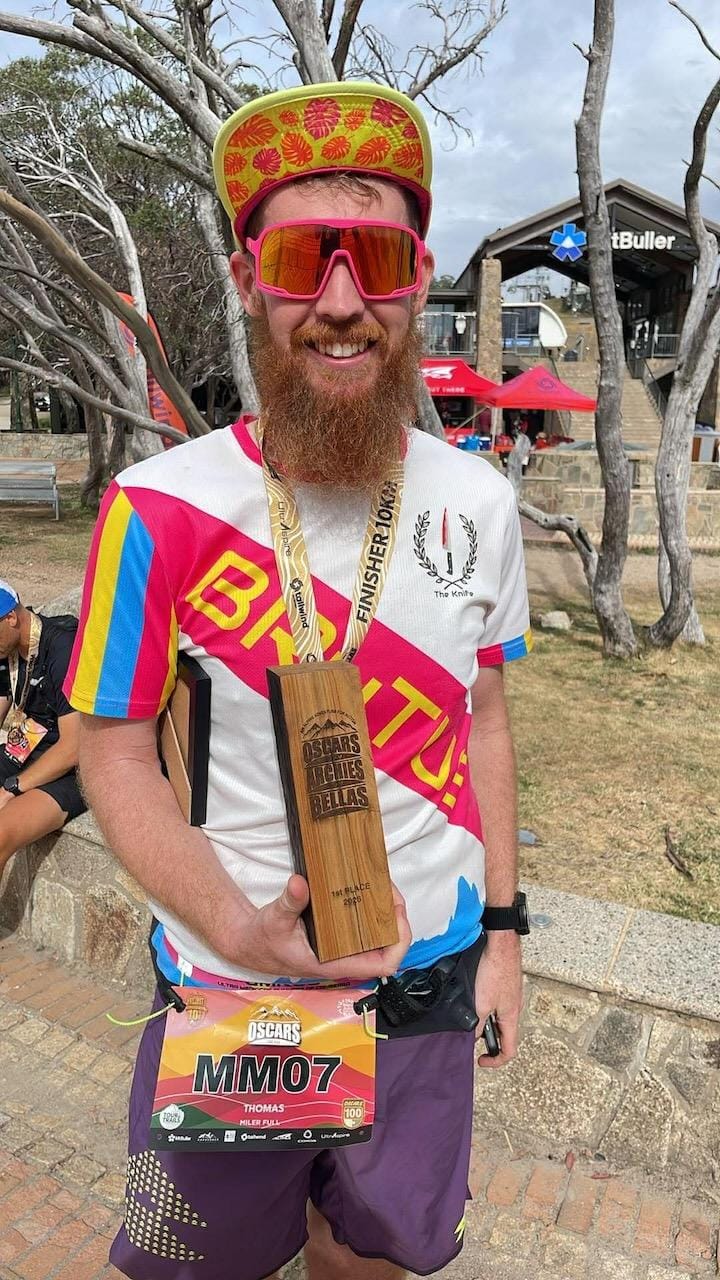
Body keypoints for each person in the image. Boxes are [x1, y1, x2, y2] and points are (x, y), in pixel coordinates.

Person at [65, 80, 532, 1280]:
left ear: (418, 277)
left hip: (427, 985)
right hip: (232, 993)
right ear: (245, 277)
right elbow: (111, 748)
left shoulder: (482, 501)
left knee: (368, 1258)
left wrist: (505, 936)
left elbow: (482, 718)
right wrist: (232, 920)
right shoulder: (153, 508)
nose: (338, 302)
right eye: (297, 260)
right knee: (194, 1269)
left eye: (374, 258)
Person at [0, 580, 84, 876]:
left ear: (11, 618)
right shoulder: (7, 650)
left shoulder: (62, 648)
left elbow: (74, 747)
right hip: (27, 747)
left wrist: (12, 787)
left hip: (72, 768)